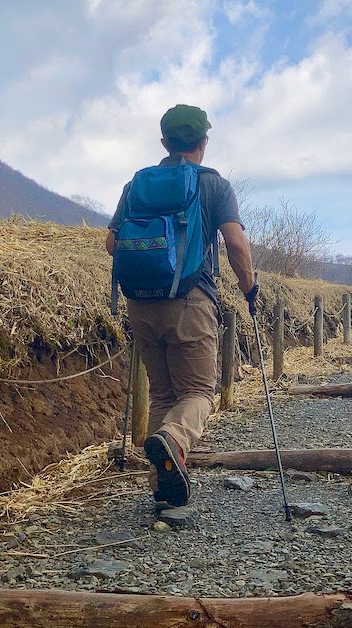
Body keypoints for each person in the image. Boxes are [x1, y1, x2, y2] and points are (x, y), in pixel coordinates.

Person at [105, 104, 257, 508]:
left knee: (164, 396)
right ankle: (172, 441)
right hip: (191, 301)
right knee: (199, 393)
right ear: (203, 142)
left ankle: (163, 487)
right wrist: (249, 287)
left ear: (164, 142)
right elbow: (236, 243)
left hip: (140, 304)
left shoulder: (136, 185)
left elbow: (111, 243)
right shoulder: (213, 185)